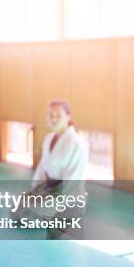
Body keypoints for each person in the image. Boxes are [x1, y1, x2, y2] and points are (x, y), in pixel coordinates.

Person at [30, 99, 89, 238]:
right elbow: (42, 167)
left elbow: (73, 181)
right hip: (49, 188)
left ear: (68, 117)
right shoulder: (49, 138)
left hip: (69, 196)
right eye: (50, 115)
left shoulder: (77, 143)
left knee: (55, 235)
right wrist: (34, 191)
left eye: (58, 115)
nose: (53, 119)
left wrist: (54, 205)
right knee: (18, 211)